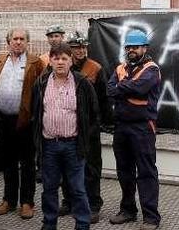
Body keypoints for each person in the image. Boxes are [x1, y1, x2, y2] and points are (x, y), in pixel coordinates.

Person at [31, 43, 99, 230]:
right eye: (56, 58)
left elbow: (94, 114)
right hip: (49, 145)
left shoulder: (81, 83)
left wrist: (85, 140)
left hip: (73, 146)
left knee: (77, 189)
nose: (60, 62)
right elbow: (35, 114)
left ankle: (82, 225)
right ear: (50, 60)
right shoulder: (41, 83)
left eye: (64, 59)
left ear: (71, 61)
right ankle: (49, 224)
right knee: (49, 189)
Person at [107, 30, 161, 230]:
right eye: (128, 47)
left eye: (135, 47)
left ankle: (151, 217)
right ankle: (128, 211)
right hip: (121, 127)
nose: (131, 50)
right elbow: (109, 90)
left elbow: (139, 89)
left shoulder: (152, 69)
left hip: (142, 128)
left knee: (146, 172)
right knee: (124, 171)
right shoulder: (120, 68)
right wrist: (126, 87)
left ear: (144, 48)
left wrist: (122, 87)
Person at [0, 28, 45, 220]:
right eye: (15, 39)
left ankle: (27, 203)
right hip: (4, 121)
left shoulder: (35, 62)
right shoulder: (1, 61)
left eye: (22, 39)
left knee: (28, 164)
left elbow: (42, 91)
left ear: (27, 42)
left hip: (26, 122)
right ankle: (9, 200)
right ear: (9, 41)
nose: (19, 42)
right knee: (8, 163)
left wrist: (35, 118)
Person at [59, 31, 112, 222]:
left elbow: (104, 100)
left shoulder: (95, 68)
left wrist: (100, 124)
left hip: (89, 128)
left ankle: (93, 205)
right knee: (67, 166)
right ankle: (69, 201)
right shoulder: (64, 67)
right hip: (67, 125)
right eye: (75, 47)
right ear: (70, 50)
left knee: (91, 168)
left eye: (83, 47)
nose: (80, 50)